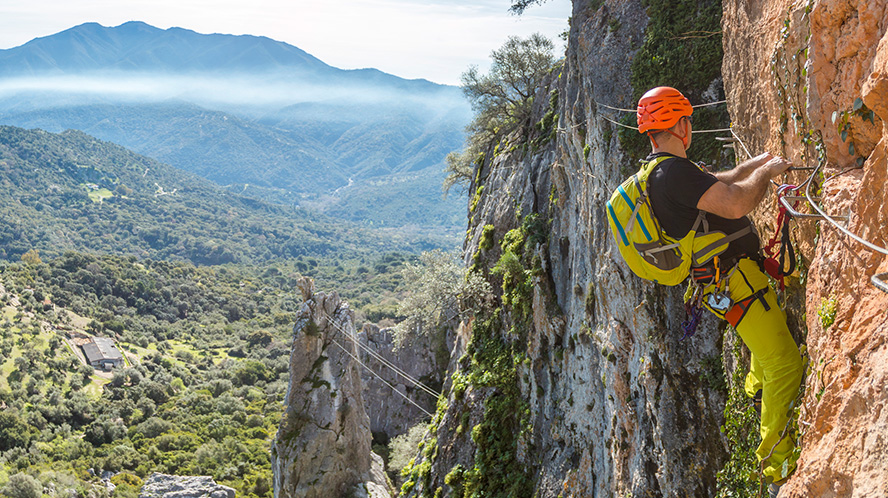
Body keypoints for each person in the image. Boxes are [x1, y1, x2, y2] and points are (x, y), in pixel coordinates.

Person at [636, 86, 804, 496]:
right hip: (736, 280)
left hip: (723, 284)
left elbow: (721, 181)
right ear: (680, 124)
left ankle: (756, 389)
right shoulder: (671, 173)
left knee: (764, 349)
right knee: (784, 363)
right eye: (686, 120)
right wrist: (766, 175)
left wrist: (760, 161)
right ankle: (777, 465)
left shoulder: (662, 172)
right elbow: (734, 203)